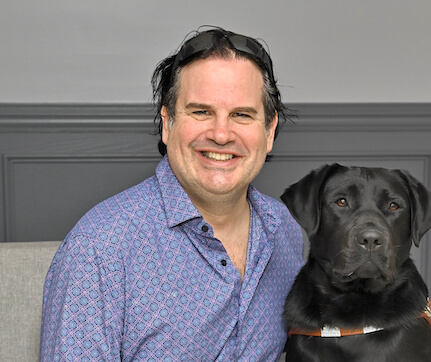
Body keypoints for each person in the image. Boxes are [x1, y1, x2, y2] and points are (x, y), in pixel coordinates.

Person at [40, 26, 304, 361]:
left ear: (269, 131)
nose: (221, 134)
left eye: (241, 115)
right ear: (168, 123)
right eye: (201, 111)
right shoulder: (99, 249)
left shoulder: (284, 231)